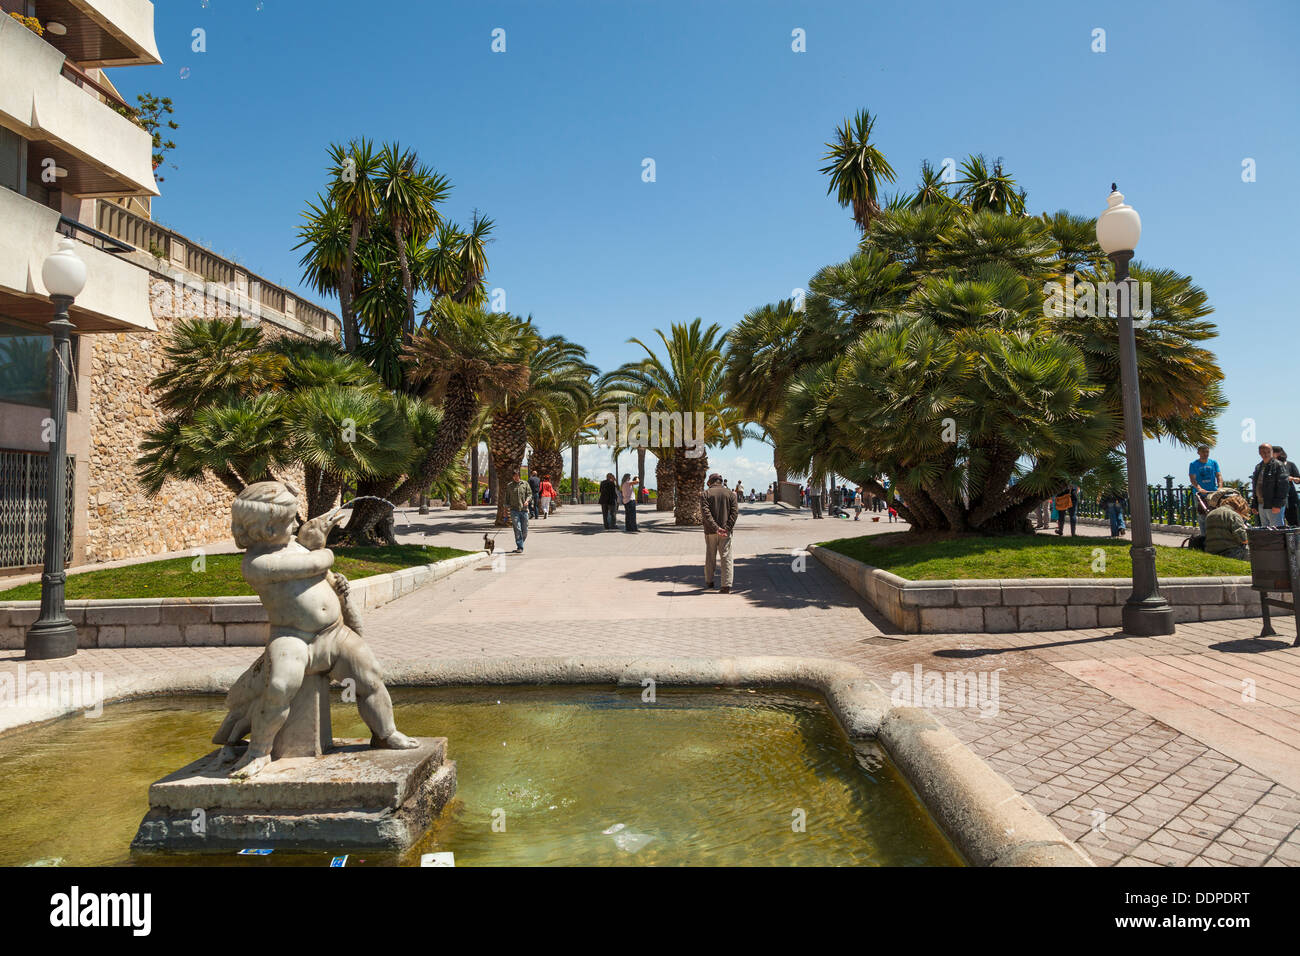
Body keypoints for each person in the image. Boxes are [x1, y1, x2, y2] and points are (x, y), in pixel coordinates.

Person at [220, 482, 418, 778]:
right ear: (268, 529)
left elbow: (318, 569)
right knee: (279, 686)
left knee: (370, 675)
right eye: (288, 520)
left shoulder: (294, 546)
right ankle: (259, 751)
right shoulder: (257, 563)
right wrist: (322, 551)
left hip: (333, 634)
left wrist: (333, 581)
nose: (294, 523)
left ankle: (385, 733)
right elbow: (317, 562)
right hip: (292, 637)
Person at [700, 472, 738, 593]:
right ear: (721, 482)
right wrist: (726, 528)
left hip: (710, 531)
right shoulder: (730, 494)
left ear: (709, 482)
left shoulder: (705, 494)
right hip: (726, 532)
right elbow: (734, 513)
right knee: (726, 557)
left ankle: (709, 581)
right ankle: (726, 585)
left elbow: (706, 514)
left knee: (710, 556)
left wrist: (716, 528)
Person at [1204, 490, 1251, 560]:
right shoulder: (1234, 515)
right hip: (1231, 553)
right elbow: (1243, 539)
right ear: (1239, 506)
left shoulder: (1211, 513)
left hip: (1212, 551)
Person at [1252, 443, 1290, 528]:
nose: (1265, 454)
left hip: (1273, 504)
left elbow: (1283, 486)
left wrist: (1277, 504)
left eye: (1268, 451)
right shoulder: (1258, 467)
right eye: (1263, 452)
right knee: (1265, 531)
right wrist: (1254, 504)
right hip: (1261, 504)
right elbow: (1255, 486)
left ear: (1272, 452)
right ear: (1259, 453)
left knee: (1276, 531)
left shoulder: (1278, 465)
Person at [1187, 445, 1222, 534]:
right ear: (1198, 453)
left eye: (1207, 452)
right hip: (1200, 494)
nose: (1205, 454)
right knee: (1202, 515)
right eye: (1203, 452)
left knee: (1215, 514)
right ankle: (1204, 536)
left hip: (1212, 492)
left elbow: (1218, 475)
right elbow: (1192, 479)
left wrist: (1220, 486)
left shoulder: (1213, 463)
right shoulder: (1194, 464)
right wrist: (1199, 488)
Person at [505, 469, 532, 552]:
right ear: (513, 477)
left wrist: (527, 501)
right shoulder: (509, 486)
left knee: (525, 530)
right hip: (514, 510)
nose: (516, 477)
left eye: (517, 475)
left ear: (519, 475)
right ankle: (520, 547)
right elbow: (507, 500)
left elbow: (530, 494)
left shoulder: (525, 484)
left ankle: (521, 542)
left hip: (524, 510)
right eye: (515, 476)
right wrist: (505, 512)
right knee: (517, 528)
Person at [1272, 446, 1300, 527]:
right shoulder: (1271, 465)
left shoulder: (1290, 464)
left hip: (1290, 496)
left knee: (1293, 520)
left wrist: (1291, 478)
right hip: (1276, 497)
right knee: (1277, 522)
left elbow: (1298, 479)